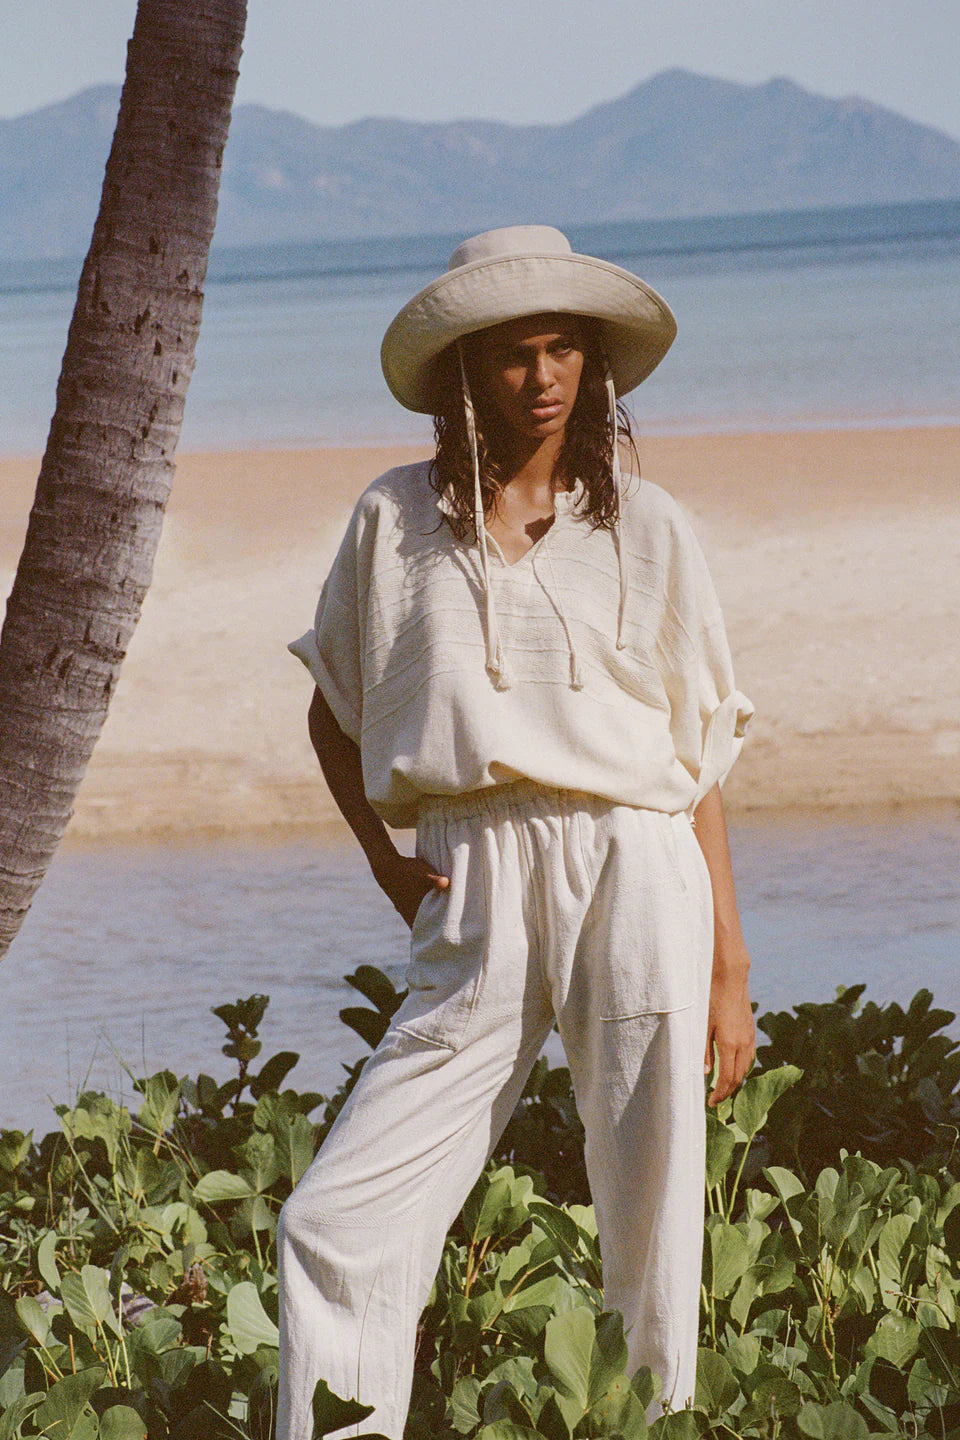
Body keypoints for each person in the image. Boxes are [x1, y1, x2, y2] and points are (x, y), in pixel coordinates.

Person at [277, 225, 755, 1439]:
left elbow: (696, 758)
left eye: (563, 351)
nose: (543, 376)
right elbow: (332, 715)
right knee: (334, 1219)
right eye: (514, 355)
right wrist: (392, 866)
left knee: (652, 1203)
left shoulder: (649, 528)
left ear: (591, 366)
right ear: (465, 372)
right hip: (478, 877)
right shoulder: (394, 522)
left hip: (636, 863)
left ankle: (653, 1423)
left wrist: (730, 969)